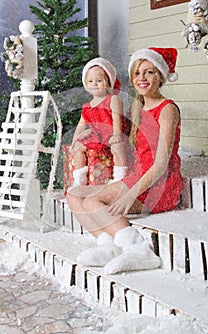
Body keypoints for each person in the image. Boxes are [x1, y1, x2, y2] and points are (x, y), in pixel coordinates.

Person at [66, 47, 183, 275]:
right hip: (137, 177)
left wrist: (129, 193)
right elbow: (119, 140)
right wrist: (87, 138)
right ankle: (107, 245)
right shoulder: (137, 107)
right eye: (137, 73)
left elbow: (160, 165)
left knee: (90, 202)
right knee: (74, 195)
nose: (142, 78)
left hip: (160, 184)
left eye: (149, 72)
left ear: (160, 76)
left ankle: (140, 251)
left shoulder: (167, 109)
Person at [69, 57, 130, 188]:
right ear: (86, 84)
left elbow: (116, 117)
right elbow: (81, 125)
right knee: (78, 148)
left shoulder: (112, 99)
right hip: (98, 135)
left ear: (108, 83)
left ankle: (120, 177)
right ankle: (79, 179)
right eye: (90, 81)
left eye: (99, 81)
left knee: (117, 147)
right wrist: (75, 140)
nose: (94, 84)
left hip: (112, 132)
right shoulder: (87, 106)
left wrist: (117, 134)